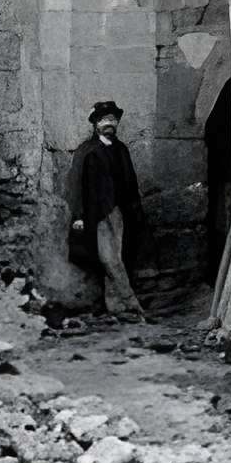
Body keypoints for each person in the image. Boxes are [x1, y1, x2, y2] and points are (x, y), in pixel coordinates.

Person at [66, 100, 147, 322]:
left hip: (121, 213)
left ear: (117, 122)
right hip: (97, 214)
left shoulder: (121, 150)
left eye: (112, 119)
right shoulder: (87, 151)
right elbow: (75, 186)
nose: (108, 124)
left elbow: (131, 183)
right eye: (103, 120)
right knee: (109, 259)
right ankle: (132, 304)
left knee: (119, 257)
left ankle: (116, 307)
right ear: (95, 124)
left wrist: (136, 211)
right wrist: (79, 216)